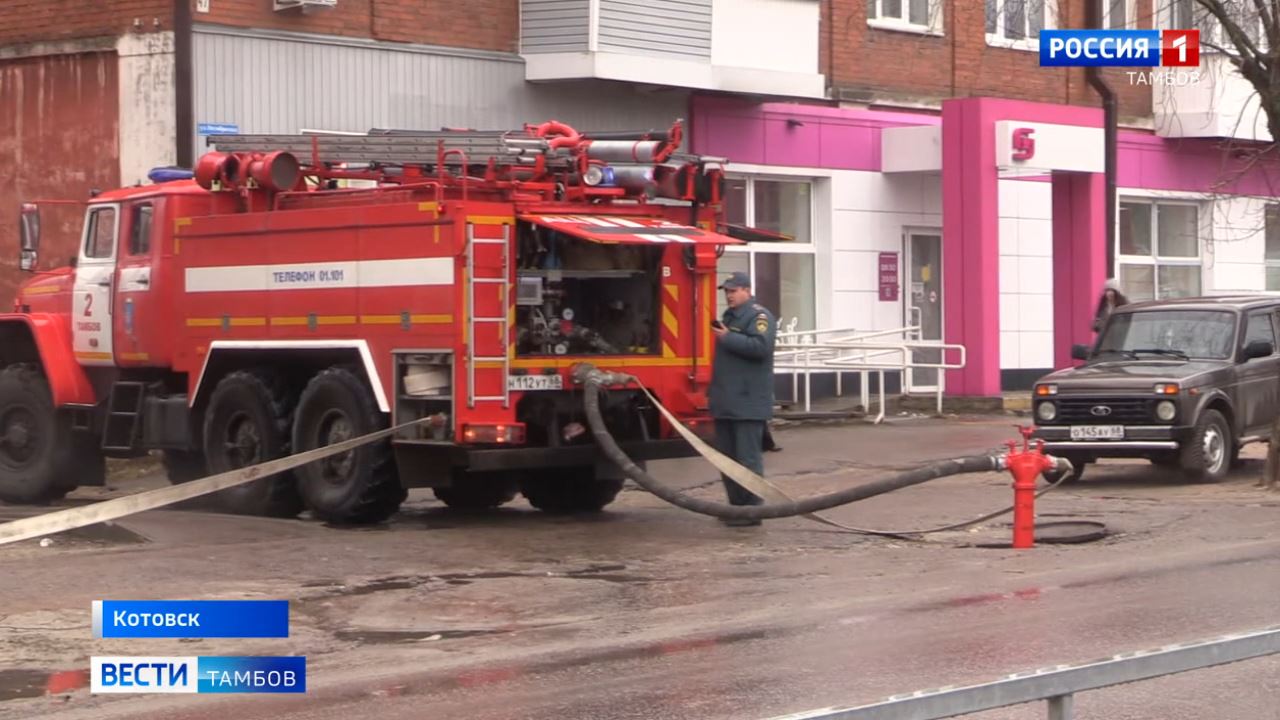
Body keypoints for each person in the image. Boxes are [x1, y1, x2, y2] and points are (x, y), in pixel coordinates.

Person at [708, 271, 778, 527]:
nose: (729, 296)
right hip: (726, 401)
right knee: (727, 458)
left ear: (747, 290)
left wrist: (727, 337)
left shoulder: (759, 316)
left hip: (748, 402)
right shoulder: (730, 317)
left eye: (733, 291)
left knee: (747, 458)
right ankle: (736, 507)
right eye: (726, 292)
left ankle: (751, 510)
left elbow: (761, 347)